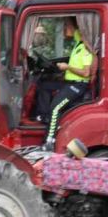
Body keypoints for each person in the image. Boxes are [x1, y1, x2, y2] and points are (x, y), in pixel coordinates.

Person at [40, 18, 95, 149]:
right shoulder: (78, 44)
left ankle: (49, 141)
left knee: (56, 107)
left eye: (67, 26)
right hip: (69, 83)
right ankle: (43, 117)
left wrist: (67, 67)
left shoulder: (86, 50)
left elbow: (86, 73)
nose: (65, 29)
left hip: (78, 86)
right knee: (44, 85)